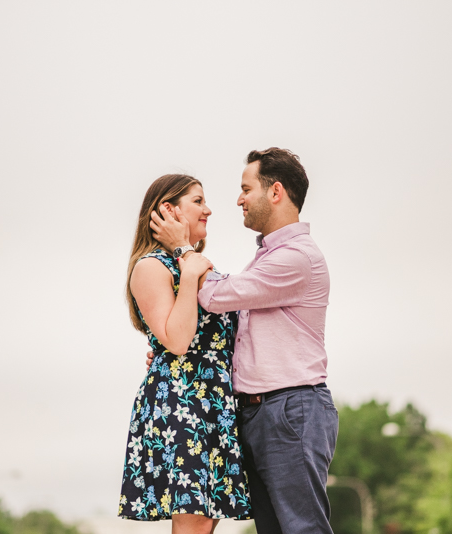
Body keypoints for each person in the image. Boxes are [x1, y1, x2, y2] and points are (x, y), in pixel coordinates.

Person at [149, 148, 338, 534]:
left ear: (276, 192)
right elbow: (232, 323)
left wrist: (181, 248)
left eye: (245, 188)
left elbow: (217, 296)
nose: (238, 199)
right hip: (260, 412)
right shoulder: (269, 257)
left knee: (302, 529)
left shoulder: (296, 258)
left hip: (289, 408)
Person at [118, 174, 251, 534]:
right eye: (198, 200)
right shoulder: (151, 267)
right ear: (168, 209)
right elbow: (177, 342)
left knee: (206, 521)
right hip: (182, 402)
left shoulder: (191, 263)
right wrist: (189, 272)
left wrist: (188, 262)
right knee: (192, 523)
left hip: (214, 402)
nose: (208, 209)